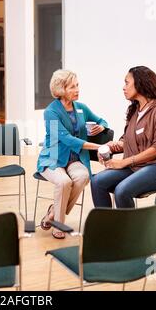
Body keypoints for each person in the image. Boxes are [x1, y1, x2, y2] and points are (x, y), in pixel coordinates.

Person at [91, 66, 156, 209]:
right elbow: (127, 140)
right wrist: (109, 148)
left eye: (127, 83)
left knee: (122, 190)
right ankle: (106, 227)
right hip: (136, 167)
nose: (123, 87)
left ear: (140, 84)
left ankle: (131, 230)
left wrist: (124, 162)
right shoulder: (135, 110)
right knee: (97, 181)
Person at [37, 69, 108, 239]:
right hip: (53, 158)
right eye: (72, 87)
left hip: (75, 159)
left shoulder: (81, 108)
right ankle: (58, 225)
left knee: (83, 177)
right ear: (61, 90)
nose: (77, 90)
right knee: (63, 182)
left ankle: (53, 212)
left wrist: (102, 126)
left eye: (77, 86)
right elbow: (67, 139)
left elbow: (102, 120)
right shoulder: (50, 112)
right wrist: (98, 147)